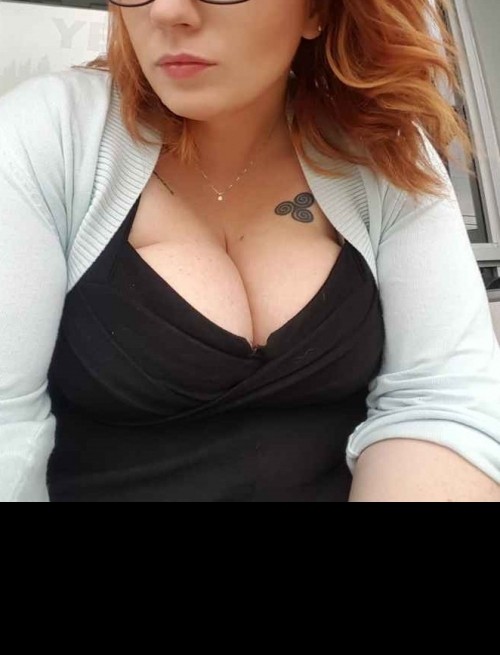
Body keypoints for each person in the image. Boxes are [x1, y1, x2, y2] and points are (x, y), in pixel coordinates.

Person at [1, 0, 499, 502]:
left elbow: (443, 401)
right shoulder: (49, 134)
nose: (167, 10)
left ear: (316, 12)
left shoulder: (382, 149)